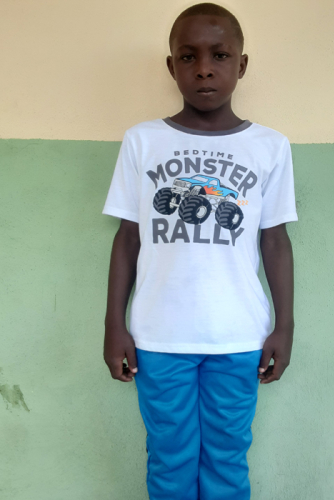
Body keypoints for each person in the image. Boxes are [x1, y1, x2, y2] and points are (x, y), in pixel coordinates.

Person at [102, 3, 298, 499]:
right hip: (158, 336)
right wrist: (113, 325)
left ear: (241, 65)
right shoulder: (142, 141)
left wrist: (285, 326)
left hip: (239, 335)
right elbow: (128, 237)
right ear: (172, 66)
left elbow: (275, 240)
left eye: (220, 55)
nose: (204, 68)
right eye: (189, 57)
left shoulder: (270, 146)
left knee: (227, 456)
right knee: (170, 457)